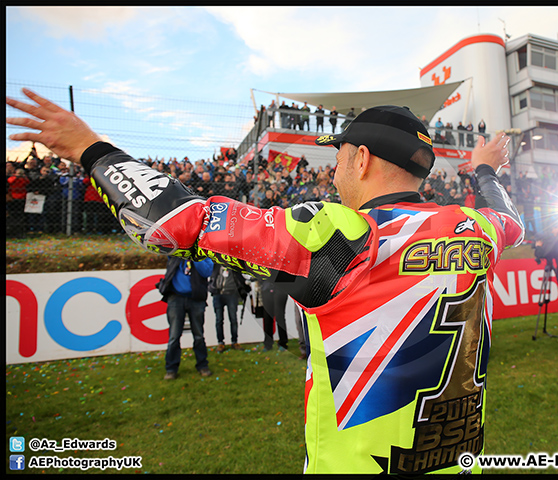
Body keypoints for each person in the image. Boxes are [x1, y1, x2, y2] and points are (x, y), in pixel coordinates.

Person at [6, 91, 523, 475]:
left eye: (340, 154)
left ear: (361, 159)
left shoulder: (337, 233)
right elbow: (512, 221)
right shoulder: (475, 227)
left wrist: (90, 149)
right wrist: (483, 171)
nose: (336, 167)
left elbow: (175, 221)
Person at [155, 256, 214, 379]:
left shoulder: (203, 254)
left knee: (198, 335)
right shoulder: (176, 252)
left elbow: (206, 272)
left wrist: (196, 256)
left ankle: (203, 365)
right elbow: (164, 248)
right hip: (176, 298)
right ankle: (171, 369)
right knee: (174, 336)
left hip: (196, 299)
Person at [209, 263, 251, 352]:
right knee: (219, 320)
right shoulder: (216, 264)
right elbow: (211, 276)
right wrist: (212, 287)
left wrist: (244, 288)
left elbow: (240, 278)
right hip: (218, 294)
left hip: (232, 295)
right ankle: (220, 343)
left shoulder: (233, 264)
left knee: (233, 319)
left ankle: (234, 341)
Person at [259, 279, 289, 352]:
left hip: (280, 288)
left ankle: (283, 343)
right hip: (266, 288)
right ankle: (267, 344)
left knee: (279, 316)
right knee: (267, 317)